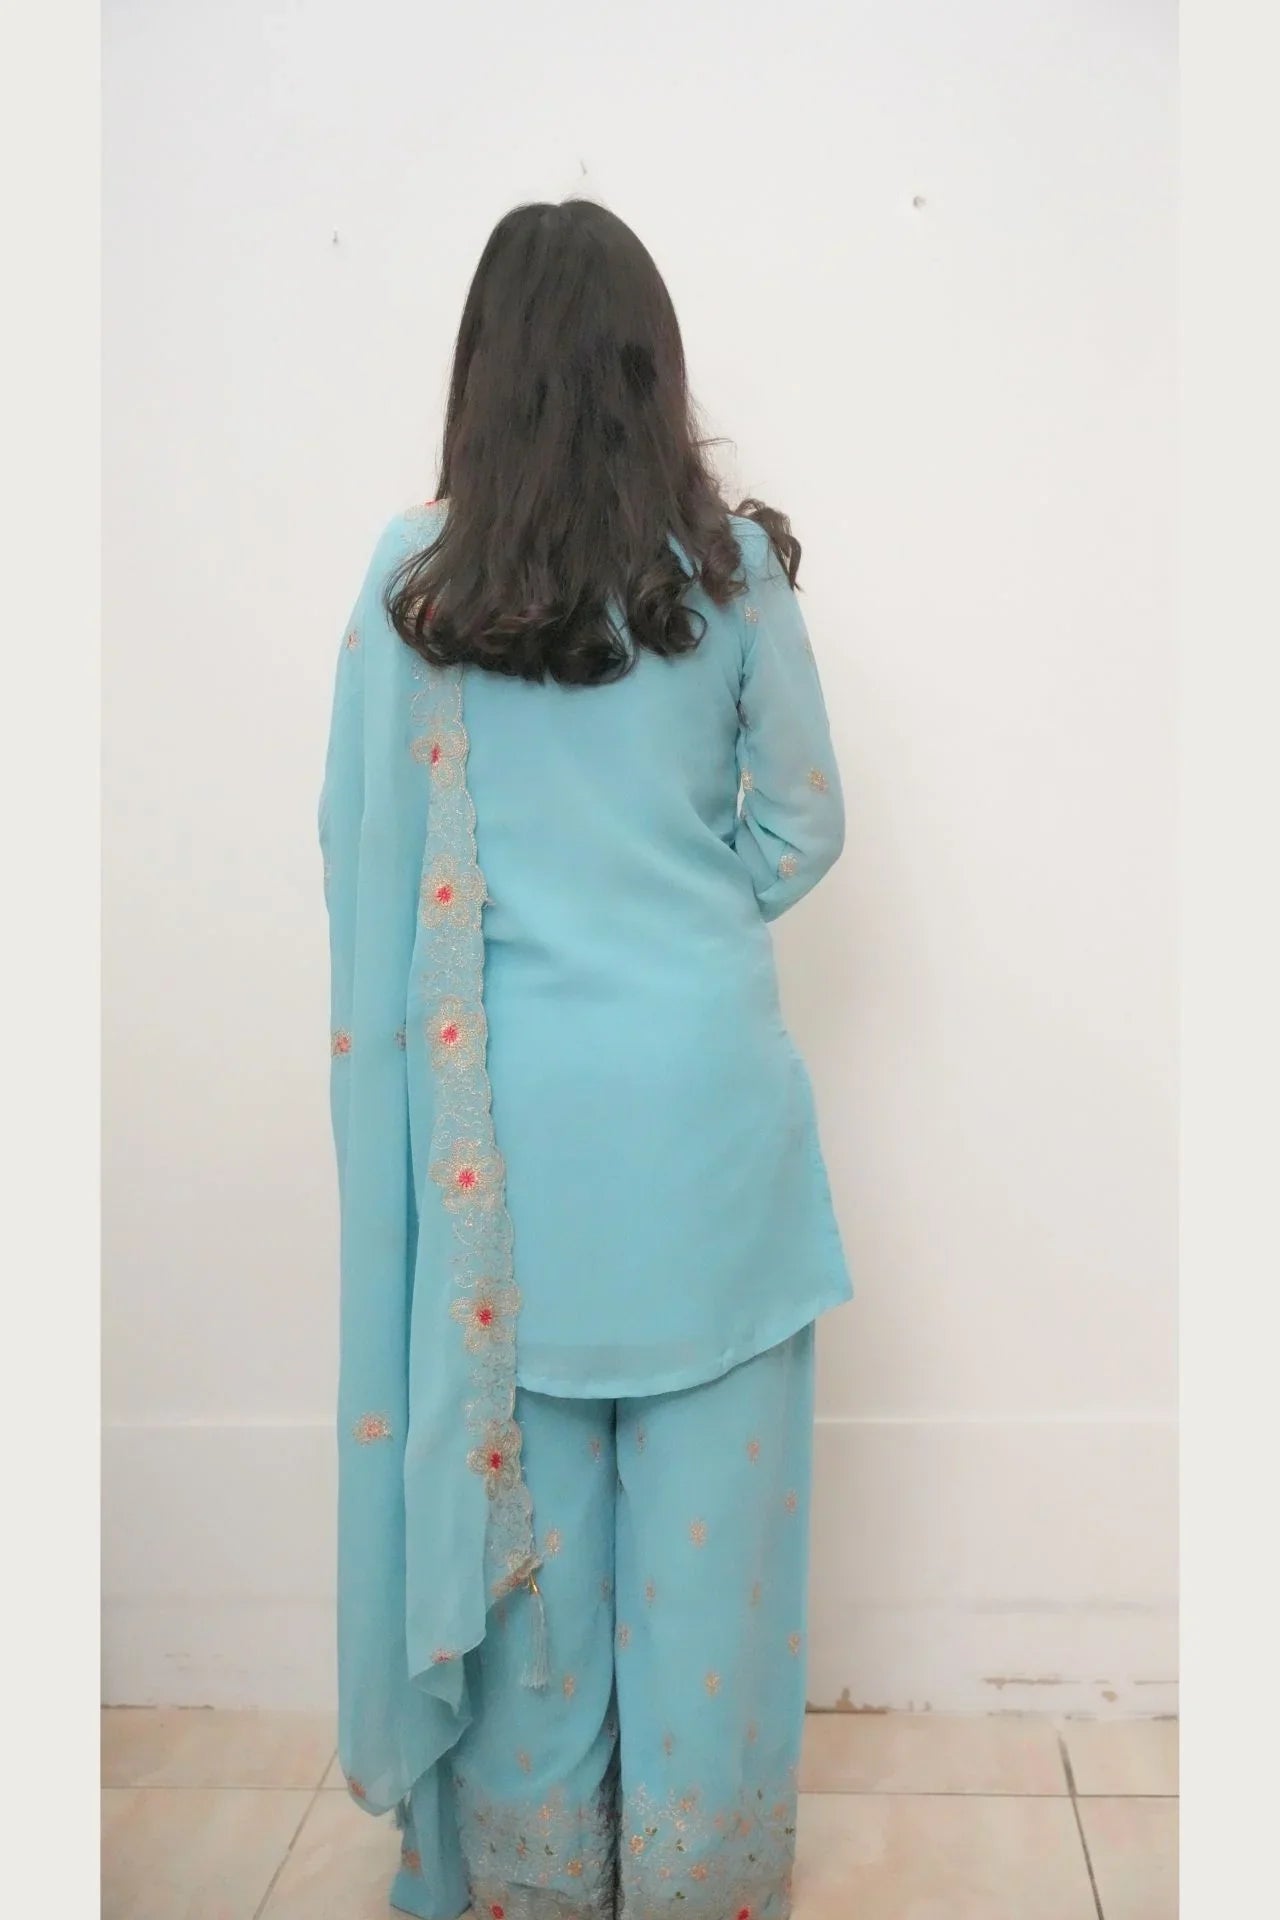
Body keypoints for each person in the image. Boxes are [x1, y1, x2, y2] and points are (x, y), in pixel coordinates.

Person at [320, 198, 852, 1920]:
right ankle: (700, 1891)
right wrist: (687, 918)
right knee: (711, 1581)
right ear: (651, 367)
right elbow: (806, 826)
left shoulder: (417, 588)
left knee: (529, 1585)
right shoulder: (734, 574)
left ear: (483, 373)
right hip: (712, 1137)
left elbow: (360, 851)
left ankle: (531, 1893)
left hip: (511, 1171)